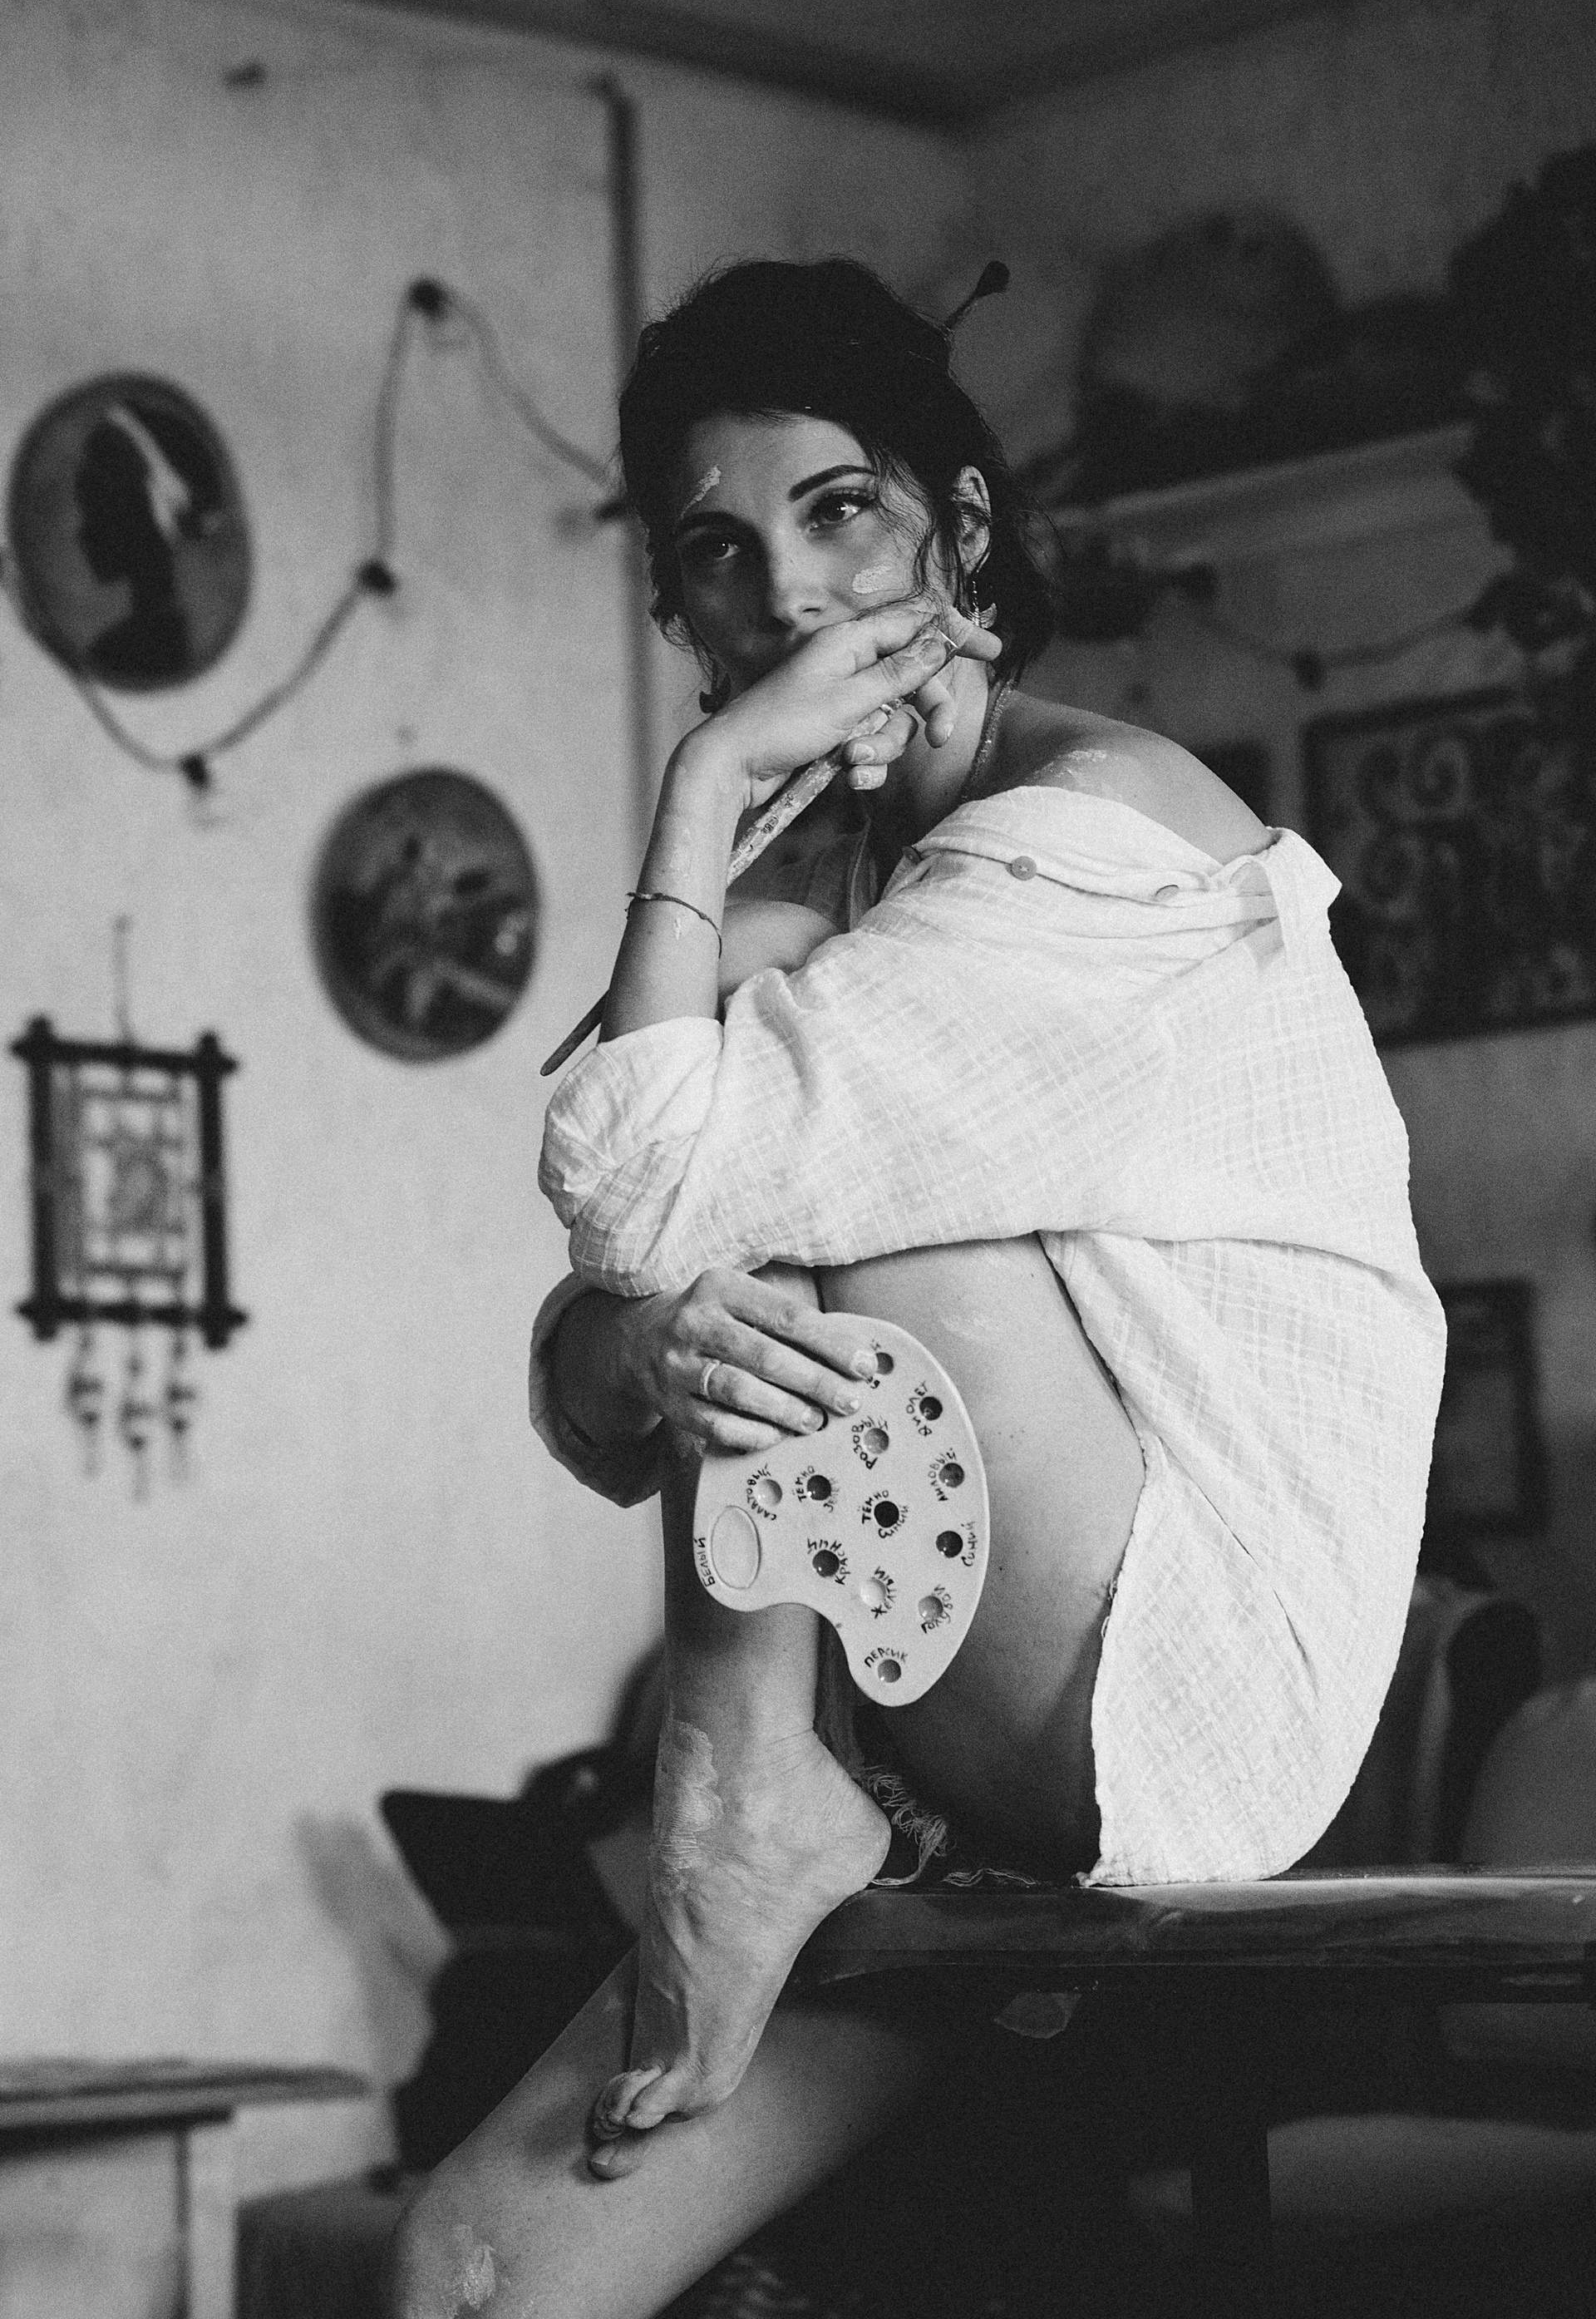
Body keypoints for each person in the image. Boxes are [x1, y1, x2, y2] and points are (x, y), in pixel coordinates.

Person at [387, 259, 1446, 2319]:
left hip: (1176, 1669)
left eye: (838, 510)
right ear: (684, 613)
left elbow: (655, 1186)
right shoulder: (838, 900)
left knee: (773, 1099)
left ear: (959, 533)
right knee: (474, 2271)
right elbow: (594, 1352)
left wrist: (702, 800)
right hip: (936, 1724)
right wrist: (652, 1341)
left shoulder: (1089, 847)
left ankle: (732, 1801)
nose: (784, 593)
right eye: (718, 551)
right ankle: (765, 1807)